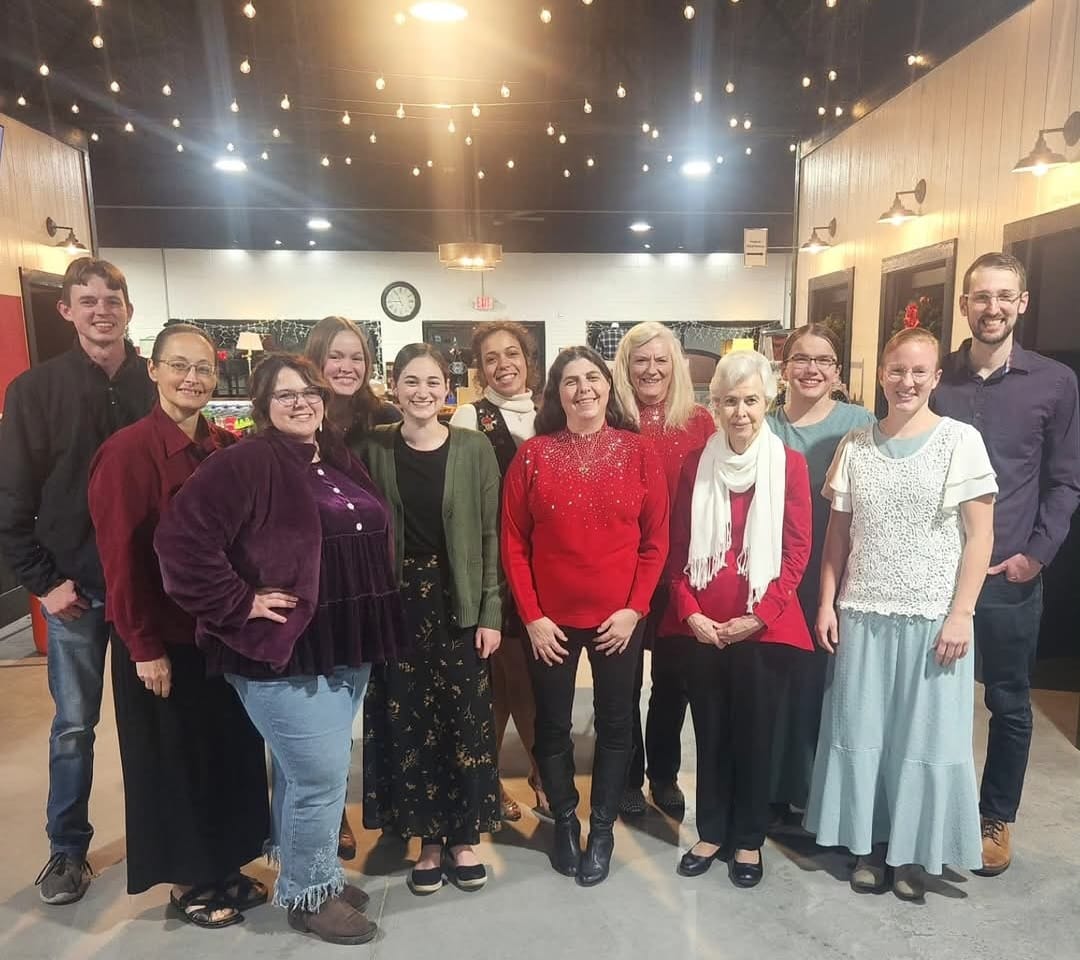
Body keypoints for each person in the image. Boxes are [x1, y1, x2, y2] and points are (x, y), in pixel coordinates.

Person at [155, 354, 403, 945]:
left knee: (303, 774)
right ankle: (312, 898)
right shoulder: (243, 463)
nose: (301, 403)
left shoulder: (335, 456)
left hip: (346, 639)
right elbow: (179, 543)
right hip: (285, 648)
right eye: (285, 394)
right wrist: (238, 601)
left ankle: (308, 879)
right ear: (263, 405)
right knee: (320, 776)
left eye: (309, 392)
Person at [805, 327, 997, 901]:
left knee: (925, 739)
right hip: (863, 613)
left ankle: (914, 852)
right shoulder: (855, 446)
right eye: (896, 370)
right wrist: (826, 602)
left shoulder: (960, 442)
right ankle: (867, 843)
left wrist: (962, 613)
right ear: (881, 375)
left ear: (935, 377)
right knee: (862, 732)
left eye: (918, 371)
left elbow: (980, 537)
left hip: (933, 619)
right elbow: (837, 537)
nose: (906, 381)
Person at [87, 324, 269, 928]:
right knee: (174, 762)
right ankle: (191, 880)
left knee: (224, 753)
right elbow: (120, 559)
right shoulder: (127, 453)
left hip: (220, 635)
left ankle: (226, 866)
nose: (192, 378)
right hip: (162, 639)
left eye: (203, 368)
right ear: (154, 370)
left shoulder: (222, 447)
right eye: (179, 366)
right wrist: (142, 645)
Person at [0, 257, 155, 905]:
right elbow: (12, 498)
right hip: (77, 593)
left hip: (152, 592)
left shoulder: (157, 382)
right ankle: (67, 849)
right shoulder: (34, 391)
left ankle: (163, 838)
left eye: (111, 299)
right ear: (66, 310)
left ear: (128, 309)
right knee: (73, 727)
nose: (101, 310)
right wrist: (44, 582)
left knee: (157, 723)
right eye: (87, 300)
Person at [932, 252, 1080, 876]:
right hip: (933, 573)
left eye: (1003, 297)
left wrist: (1036, 555)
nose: (991, 308)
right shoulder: (936, 378)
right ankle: (929, 809)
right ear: (964, 304)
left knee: (1009, 702)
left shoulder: (1054, 383)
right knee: (930, 699)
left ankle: (995, 817)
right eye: (980, 296)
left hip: (1007, 576)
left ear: (1021, 304)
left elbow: (1065, 480)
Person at [501, 346, 669, 886]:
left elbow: (655, 542)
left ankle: (602, 829)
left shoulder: (639, 453)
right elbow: (514, 543)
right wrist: (531, 616)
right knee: (552, 725)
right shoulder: (533, 455)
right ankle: (565, 821)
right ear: (557, 394)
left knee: (617, 724)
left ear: (608, 386)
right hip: (549, 623)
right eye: (570, 381)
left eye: (592, 378)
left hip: (619, 620)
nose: (584, 389)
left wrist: (634, 610)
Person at [662, 350, 812, 890]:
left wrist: (759, 617)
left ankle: (748, 837)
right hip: (704, 628)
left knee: (754, 734)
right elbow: (679, 550)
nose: (740, 412)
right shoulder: (693, 465)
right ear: (715, 405)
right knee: (710, 731)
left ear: (767, 401)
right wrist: (691, 612)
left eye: (750, 400)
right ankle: (712, 831)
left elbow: (796, 552)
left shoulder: (789, 465)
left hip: (763, 629)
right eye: (729, 401)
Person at [357, 343, 503, 896]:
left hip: (458, 599)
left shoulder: (473, 446)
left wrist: (491, 611)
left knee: (465, 718)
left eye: (432, 382)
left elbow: (489, 534)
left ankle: (463, 836)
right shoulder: (374, 447)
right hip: (397, 604)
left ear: (448, 388)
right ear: (394, 386)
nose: (422, 392)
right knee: (409, 722)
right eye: (411, 381)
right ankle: (428, 841)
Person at [303, 313, 401, 860]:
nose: (346, 366)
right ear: (316, 360)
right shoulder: (298, 418)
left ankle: (385, 803)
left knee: (372, 699)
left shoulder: (382, 420)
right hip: (314, 582)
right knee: (319, 705)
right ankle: (330, 808)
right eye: (335, 356)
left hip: (373, 580)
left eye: (356, 357)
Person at [766, 324, 873, 820]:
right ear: (784, 368)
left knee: (828, 685)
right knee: (779, 684)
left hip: (838, 571)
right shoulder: (765, 425)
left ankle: (819, 798)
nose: (811, 369)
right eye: (801, 359)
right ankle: (773, 790)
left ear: (837, 370)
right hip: (777, 575)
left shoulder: (861, 424)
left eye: (823, 360)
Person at [611, 321, 714, 818]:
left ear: (676, 366)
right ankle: (628, 775)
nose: (651, 370)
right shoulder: (612, 420)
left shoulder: (700, 422)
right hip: (624, 571)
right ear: (625, 366)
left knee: (674, 681)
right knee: (624, 682)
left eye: (660, 360)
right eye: (640, 360)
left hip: (681, 572)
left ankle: (664, 774)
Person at [450, 321, 550, 823]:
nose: (503, 364)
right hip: (496, 564)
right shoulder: (471, 416)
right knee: (502, 681)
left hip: (547, 566)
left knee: (532, 679)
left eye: (512, 353)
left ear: (528, 359)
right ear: (480, 368)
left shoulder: (549, 412)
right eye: (491, 358)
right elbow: (461, 498)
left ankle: (526, 777)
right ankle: (507, 781)